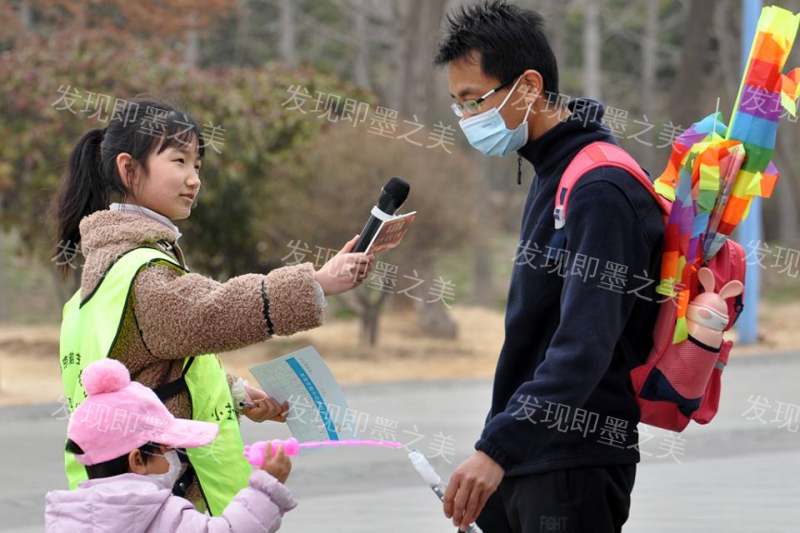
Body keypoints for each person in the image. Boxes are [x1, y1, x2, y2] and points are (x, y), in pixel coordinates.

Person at [53, 97, 374, 514]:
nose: (194, 179)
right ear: (128, 169)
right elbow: (209, 313)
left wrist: (234, 393)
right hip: (166, 500)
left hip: (129, 496)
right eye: (178, 161)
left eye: (198, 165)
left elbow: (149, 366)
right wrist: (317, 283)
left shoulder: (110, 269)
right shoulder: (141, 269)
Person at [433, 2, 664, 531]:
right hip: (530, 459)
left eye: (474, 100)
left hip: (572, 465)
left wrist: (497, 449)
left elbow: (584, 345)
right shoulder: (553, 172)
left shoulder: (600, 187)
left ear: (529, 87)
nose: (467, 119)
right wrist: (499, 451)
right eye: (457, 105)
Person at [46, 359, 296, 532]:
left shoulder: (68, 517)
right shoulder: (160, 512)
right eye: (166, 449)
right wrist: (266, 487)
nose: (174, 457)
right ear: (137, 460)